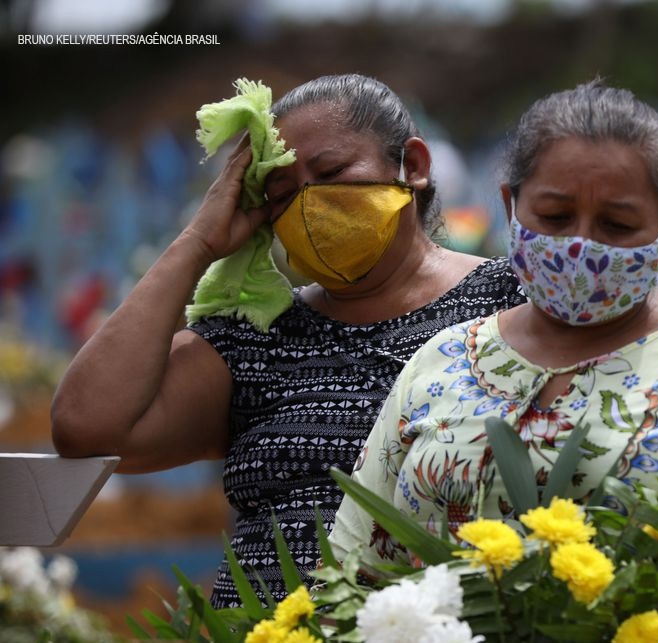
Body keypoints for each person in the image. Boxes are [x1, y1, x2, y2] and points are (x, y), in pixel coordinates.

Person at [328, 79, 658, 571]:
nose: (581, 244)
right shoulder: (441, 363)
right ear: (511, 207)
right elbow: (351, 568)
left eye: (617, 224)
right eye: (556, 218)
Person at [50, 74, 525, 607]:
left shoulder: (512, 303)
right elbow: (86, 428)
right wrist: (197, 243)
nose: (309, 203)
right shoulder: (256, 339)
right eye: (281, 194)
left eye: (332, 172)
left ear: (412, 166)